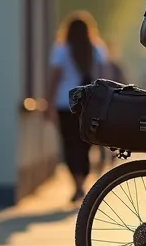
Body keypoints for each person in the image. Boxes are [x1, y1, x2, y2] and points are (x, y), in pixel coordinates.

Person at [45, 12, 109, 202]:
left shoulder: (61, 49)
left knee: (69, 144)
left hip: (65, 103)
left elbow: (55, 78)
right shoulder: (96, 48)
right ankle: (82, 182)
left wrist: (49, 102)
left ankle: (78, 184)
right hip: (88, 103)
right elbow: (103, 76)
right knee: (85, 144)